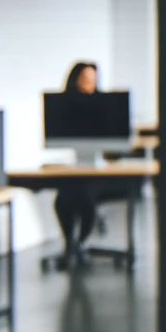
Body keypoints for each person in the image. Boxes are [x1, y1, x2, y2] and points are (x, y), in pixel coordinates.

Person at [52, 61, 102, 270]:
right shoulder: (67, 108)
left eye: (93, 80)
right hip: (77, 168)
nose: (89, 85)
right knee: (63, 200)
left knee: (86, 198)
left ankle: (80, 242)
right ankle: (70, 244)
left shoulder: (104, 107)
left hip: (103, 172)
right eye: (85, 80)